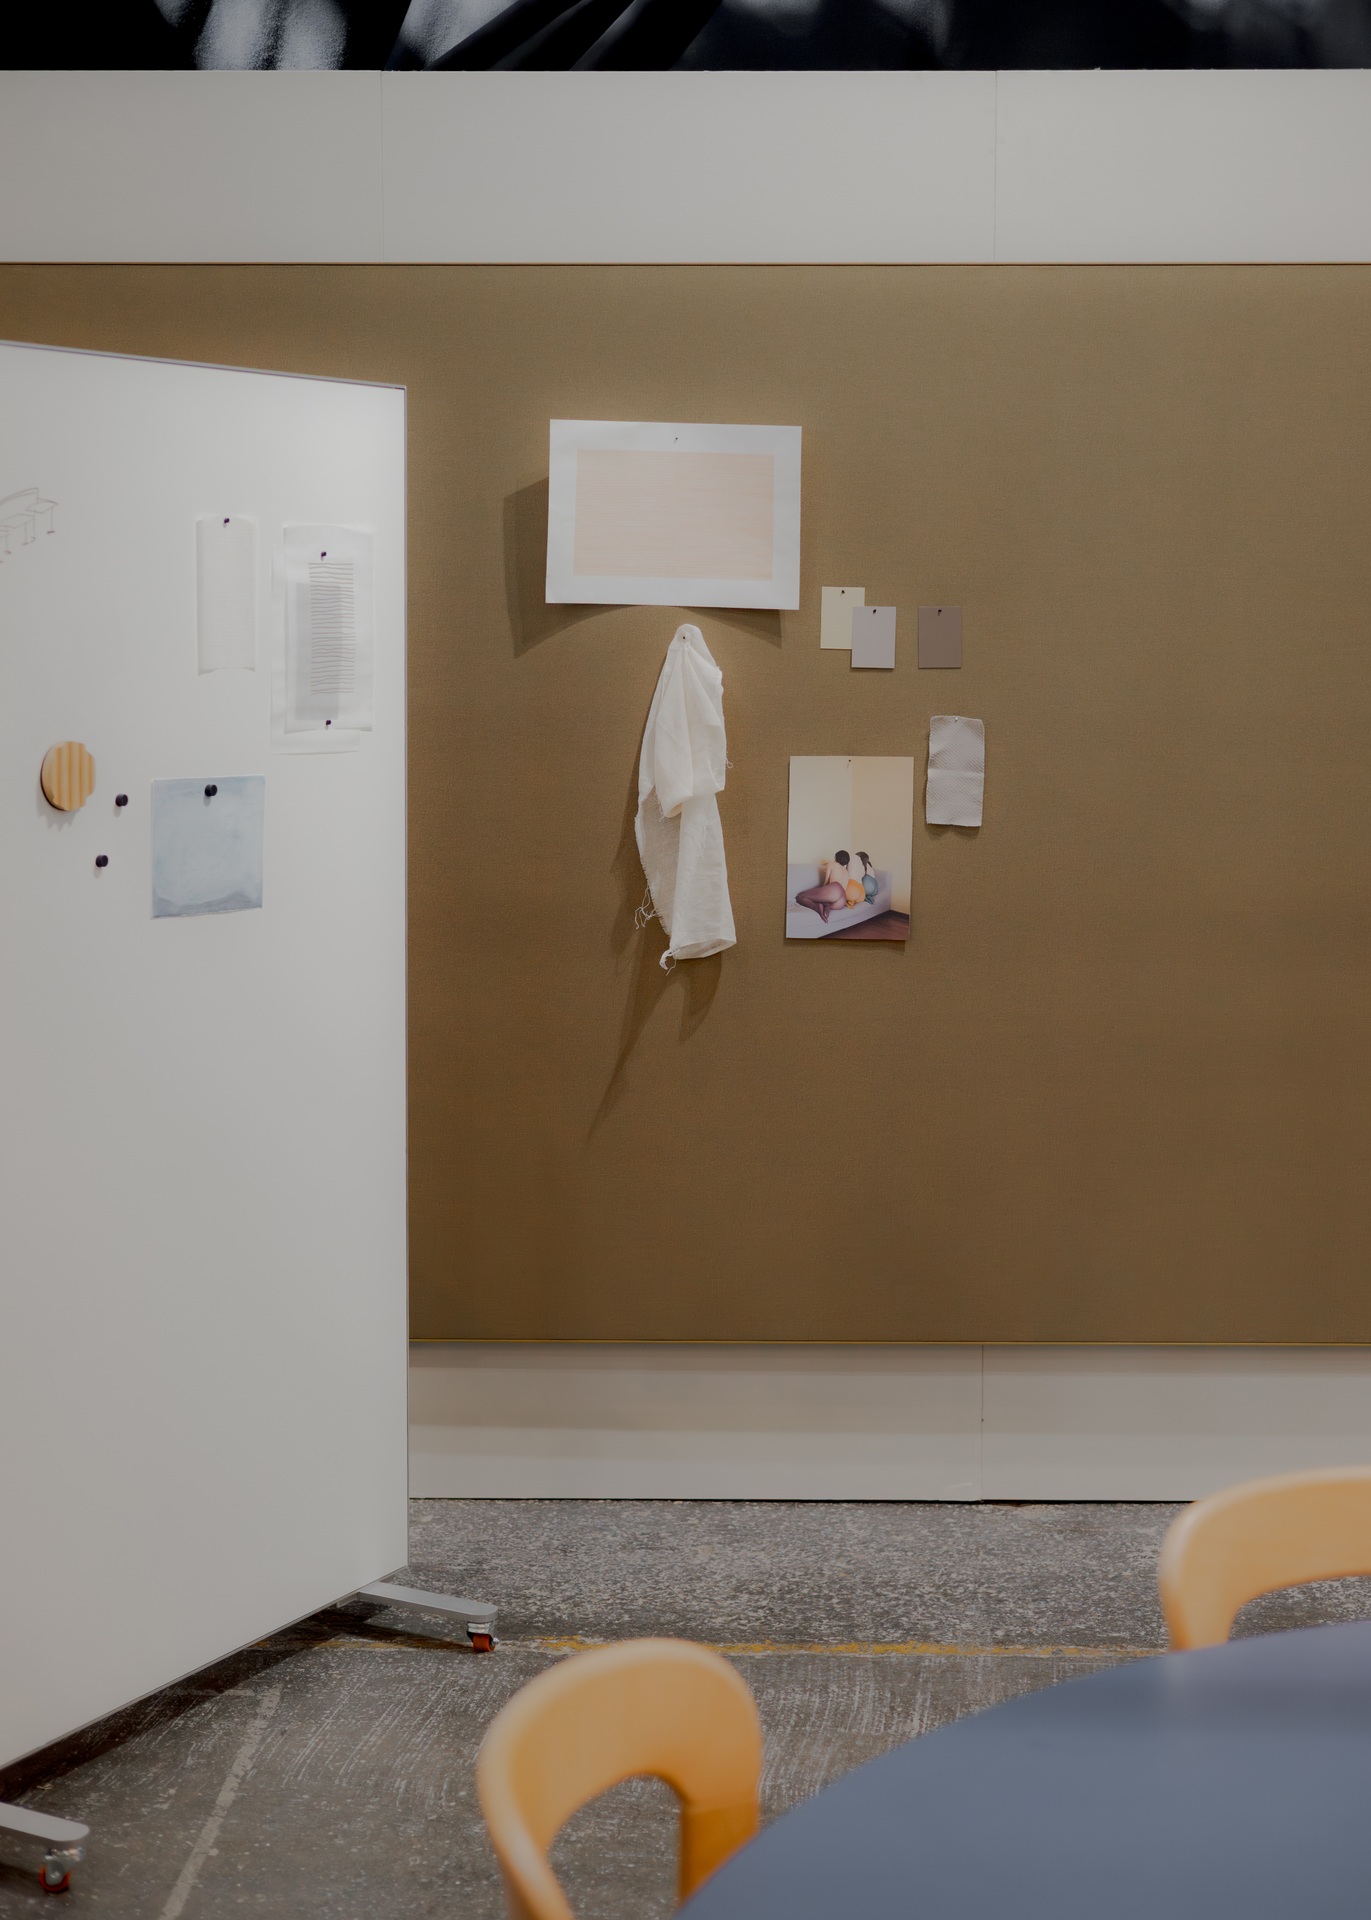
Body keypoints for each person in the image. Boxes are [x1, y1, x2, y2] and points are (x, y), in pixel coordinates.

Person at [795, 849, 853, 924]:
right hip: (842, 900)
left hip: (835, 890)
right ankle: (827, 909)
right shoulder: (846, 872)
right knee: (826, 905)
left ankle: (816, 907)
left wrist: (818, 892)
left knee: (800, 897)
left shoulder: (832, 864)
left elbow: (825, 883)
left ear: (836, 857)